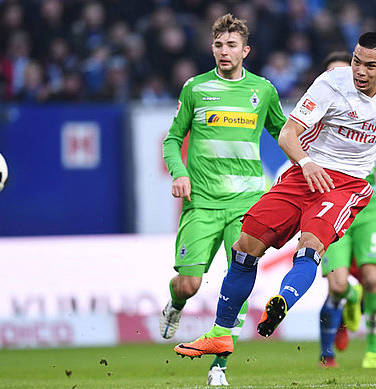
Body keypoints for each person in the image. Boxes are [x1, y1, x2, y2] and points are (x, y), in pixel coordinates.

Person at [174, 32, 376, 362]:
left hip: (347, 185)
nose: (360, 71)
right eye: (356, 62)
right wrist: (305, 163)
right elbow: (289, 133)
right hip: (304, 174)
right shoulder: (331, 84)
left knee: (310, 247)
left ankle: (283, 302)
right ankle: (220, 334)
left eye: (369, 66)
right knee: (244, 250)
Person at [160, 13, 287, 386]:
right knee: (188, 283)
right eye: (218, 45)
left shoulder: (262, 91)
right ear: (211, 48)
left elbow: (284, 133)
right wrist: (180, 173)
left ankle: (219, 367)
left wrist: (308, 163)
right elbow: (172, 140)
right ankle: (176, 306)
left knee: (239, 278)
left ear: (246, 50)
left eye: (231, 45)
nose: (224, 51)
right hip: (202, 202)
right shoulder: (195, 89)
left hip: (247, 202)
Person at [315, 52, 376, 370]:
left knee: (373, 279)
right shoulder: (316, 114)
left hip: (367, 208)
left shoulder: (375, 113)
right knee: (338, 286)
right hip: (331, 207)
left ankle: (372, 351)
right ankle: (333, 335)